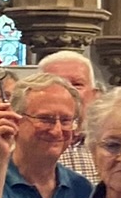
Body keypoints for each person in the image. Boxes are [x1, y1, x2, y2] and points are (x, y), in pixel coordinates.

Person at [38, 50, 102, 182]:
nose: (68, 91)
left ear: (94, 95)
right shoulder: (30, 144)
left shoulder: (109, 143)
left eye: (77, 84)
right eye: (57, 83)